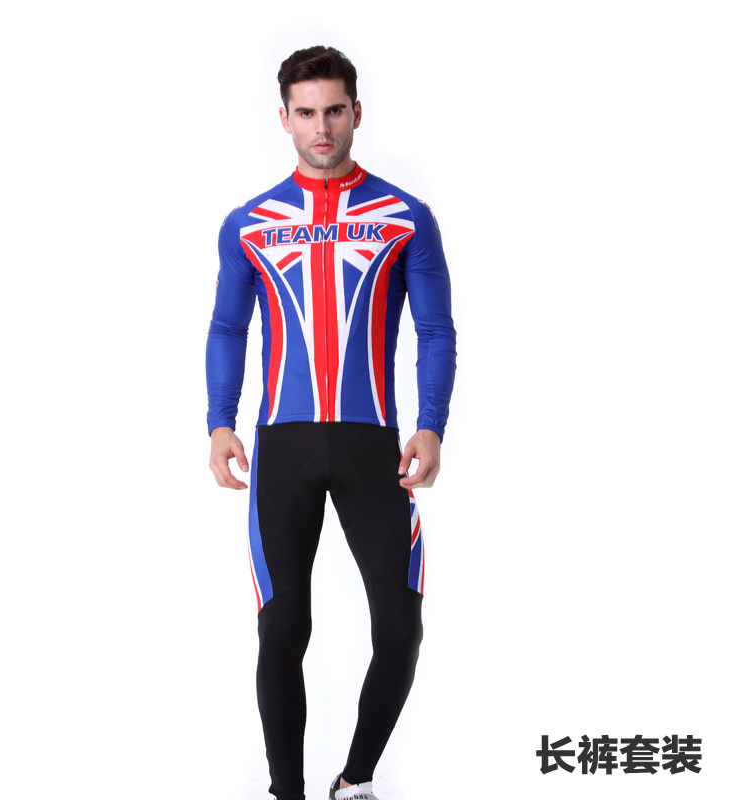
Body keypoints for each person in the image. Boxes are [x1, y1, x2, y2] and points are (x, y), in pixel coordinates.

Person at [206, 46, 456, 800]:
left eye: (335, 111)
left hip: (372, 444)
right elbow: (228, 328)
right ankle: (286, 791)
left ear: (356, 112)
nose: (323, 128)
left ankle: (355, 780)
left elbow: (436, 330)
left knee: (401, 627)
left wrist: (432, 424)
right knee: (283, 630)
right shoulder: (249, 223)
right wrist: (219, 422)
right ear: (284, 118)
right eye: (307, 113)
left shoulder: (404, 217)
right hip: (280, 447)